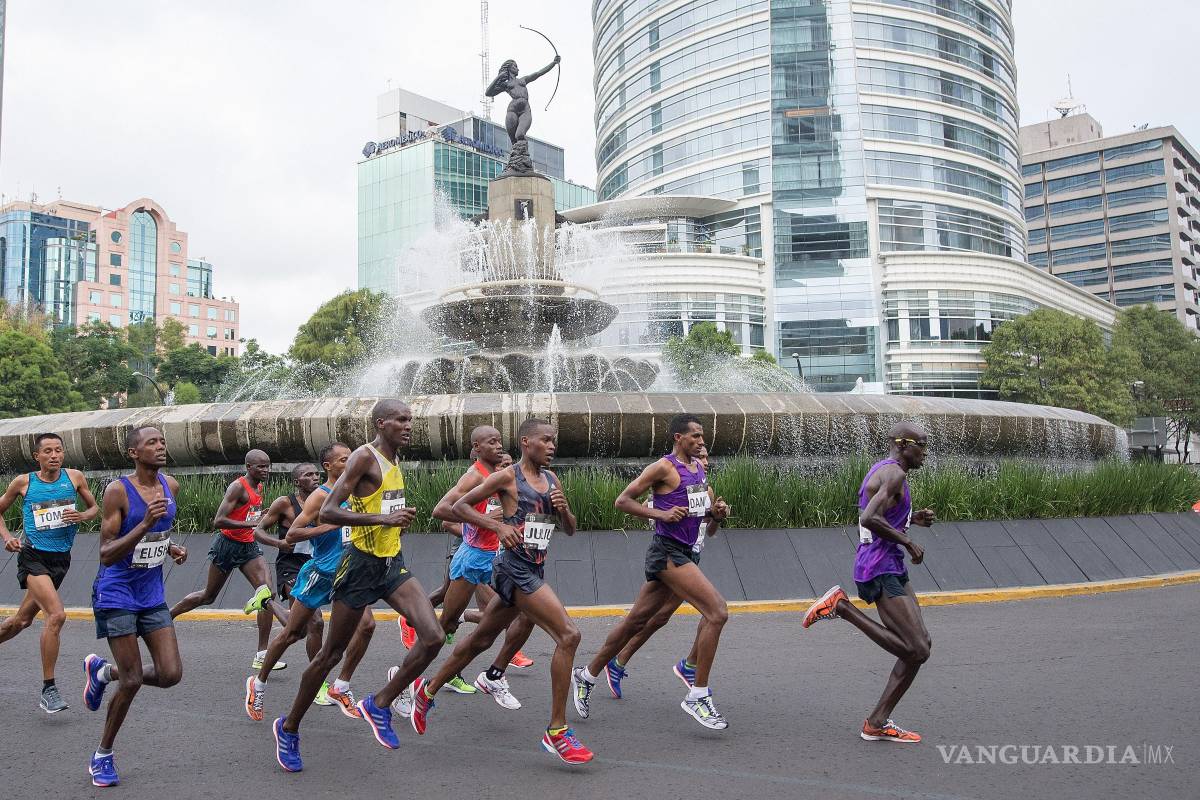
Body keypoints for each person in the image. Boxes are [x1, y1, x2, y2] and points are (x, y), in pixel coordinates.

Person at [272, 399, 443, 773]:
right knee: (330, 655)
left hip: (391, 563)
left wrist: (396, 521)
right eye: (400, 420)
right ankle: (288, 727)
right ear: (381, 423)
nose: (408, 425)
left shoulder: (394, 458)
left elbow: (382, 505)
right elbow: (329, 511)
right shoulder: (364, 457)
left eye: (410, 419)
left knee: (433, 637)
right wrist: (382, 519)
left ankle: (378, 704)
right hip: (359, 567)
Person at [412, 418, 593, 766]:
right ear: (526, 442)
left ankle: (427, 690)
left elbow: (570, 529)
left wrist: (564, 509)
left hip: (534, 567)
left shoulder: (552, 480)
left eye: (553, 441)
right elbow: (459, 507)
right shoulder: (508, 477)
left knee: (481, 639)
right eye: (545, 440)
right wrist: (496, 526)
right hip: (513, 569)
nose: (552, 446)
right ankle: (557, 731)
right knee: (569, 636)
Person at [571, 416, 731, 730]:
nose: (701, 441)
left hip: (686, 552)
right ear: (678, 437)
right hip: (667, 552)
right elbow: (622, 501)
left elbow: (698, 515)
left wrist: (714, 513)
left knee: (636, 621)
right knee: (717, 612)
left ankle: (586, 675)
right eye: (695, 436)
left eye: (702, 436)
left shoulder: (698, 470)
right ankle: (698, 695)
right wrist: (661, 514)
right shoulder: (663, 467)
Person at [802, 421, 935, 744]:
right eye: (921, 446)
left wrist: (911, 519)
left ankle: (877, 722)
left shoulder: (886, 470)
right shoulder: (895, 474)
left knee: (921, 646)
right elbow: (869, 518)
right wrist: (907, 541)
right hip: (879, 566)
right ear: (903, 445)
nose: (925, 453)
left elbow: (880, 513)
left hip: (889, 565)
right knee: (917, 649)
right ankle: (842, 607)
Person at [83, 426, 188, 787]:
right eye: (151, 443)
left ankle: (102, 673)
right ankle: (103, 755)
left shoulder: (170, 486)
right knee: (132, 681)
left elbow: (160, 533)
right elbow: (106, 553)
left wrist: (170, 547)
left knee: (170, 674)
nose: (160, 447)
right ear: (133, 452)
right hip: (117, 593)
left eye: (162, 441)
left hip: (151, 593)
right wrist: (144, 524)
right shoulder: (118, 491)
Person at [247, 444, 376, 721]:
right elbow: (292, 535)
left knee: (367, 626)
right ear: (329, 466)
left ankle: (340, 686)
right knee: (294, 633)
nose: (351, 462)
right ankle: (258, 683)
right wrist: (330, 526)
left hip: (348, 573)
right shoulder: (320, 496)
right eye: (344, 459)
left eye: (352, 458)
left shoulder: (354, 492)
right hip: (320, 573)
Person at [424, 427, 535, 708]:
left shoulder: (498, 475)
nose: (498, 446)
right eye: (491, 442)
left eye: (499, 441)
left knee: (519, 616)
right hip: (473, 559)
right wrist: (489, 520)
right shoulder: (474, 475)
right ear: (476, 447)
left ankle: (493, 675)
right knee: (445, 626)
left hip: (495, 558)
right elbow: (441, 510)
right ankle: (404, 677)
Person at [603, 445, 723, 698]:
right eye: (700, 456)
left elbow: (709, 528)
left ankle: (615, 663)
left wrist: (716, 516)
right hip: (671, 556)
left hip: (691, 556)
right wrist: (662, 515)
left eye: (706, 457)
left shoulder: (706, 489)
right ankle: (686, 667)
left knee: (661, 617)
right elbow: (643, 510)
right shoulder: (669, 478)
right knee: (708, 612)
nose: (705, 461)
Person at [0, 432, 100, 713]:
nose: (54, 455)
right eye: (48, 451)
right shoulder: (24, 482)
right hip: (32, 557)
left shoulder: (75, 477)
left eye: (58, 450)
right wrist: (7, 537)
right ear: (37, 456)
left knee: (20, 622)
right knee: (56, 615)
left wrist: (82, 515)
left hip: (60, 560)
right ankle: (49, 690)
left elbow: (94, 508)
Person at [168, 449, 289, 670]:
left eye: (268, 465)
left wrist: (260, 516)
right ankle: (167, 618)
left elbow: (246, 514)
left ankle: (262, 653)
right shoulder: (237, 487)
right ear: (248, 467)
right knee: (208, 596)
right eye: (261, 466)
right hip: (227, 546)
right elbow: (219, 520)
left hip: (248, 547)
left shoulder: (259, 487)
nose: (266, 470)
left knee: (266, 593)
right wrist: (252, 523)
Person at [248, 464, 324, 677]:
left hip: (316, 565)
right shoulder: (285, 503)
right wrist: (278, 543)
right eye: (308, 475)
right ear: (297, 482)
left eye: (316, 473)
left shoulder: (325, 499)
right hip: (291, 566)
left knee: (299, 631)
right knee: (316, 622)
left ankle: (266, 601)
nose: (315, 477)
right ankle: (317, 680)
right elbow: (258, 531)